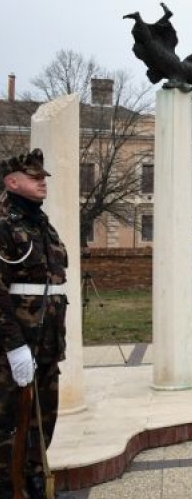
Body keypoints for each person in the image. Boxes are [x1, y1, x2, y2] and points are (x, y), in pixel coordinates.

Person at [0, 149, 68, 499]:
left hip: (47, 343)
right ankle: (12, 488)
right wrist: (13, 346)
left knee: (44, 421)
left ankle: (35, 482)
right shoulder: (4, 224)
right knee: (12, 423)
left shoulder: (42, 224)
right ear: (12, 182)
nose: (43, 182)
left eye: (43, 177)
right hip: (17, 344)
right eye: (34, 177)